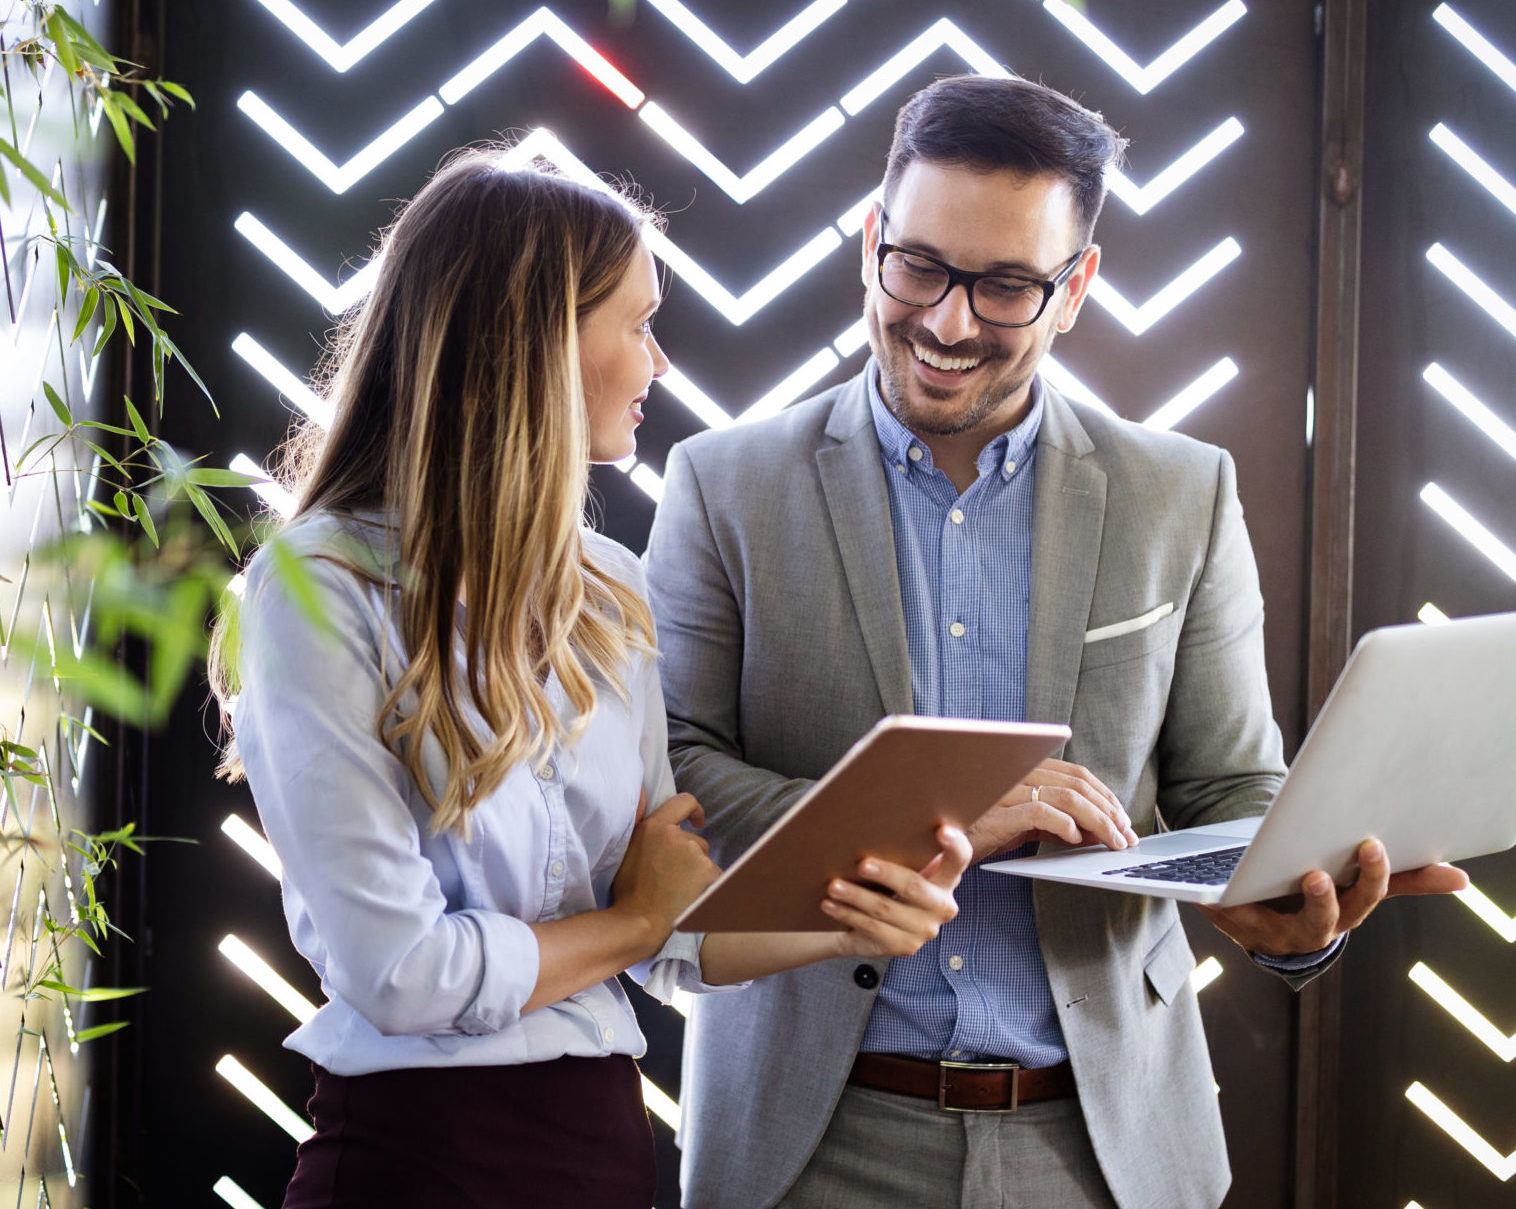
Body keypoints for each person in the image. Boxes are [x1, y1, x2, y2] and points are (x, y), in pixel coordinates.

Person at [643, 76, 1468, 1209]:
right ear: (872, 240)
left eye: (1006, 286)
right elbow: (673, 772)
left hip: (1102, 1148)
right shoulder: (723, 484)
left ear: (1074, 288)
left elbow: (1232, 784)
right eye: (919, 265)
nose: (945, 320)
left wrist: (1289, 914)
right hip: (811, 1138)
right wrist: (942, 827)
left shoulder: (1180, 492)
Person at [210, 151, 970, 1209]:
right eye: (636, 323)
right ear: (534, 345)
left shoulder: (608, 586)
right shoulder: (317, 593)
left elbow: (675, 928)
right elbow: (399, 972)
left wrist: (847, 918)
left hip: (602, 1156)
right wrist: (631, 927)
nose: (657, 362)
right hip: (415, 1164)